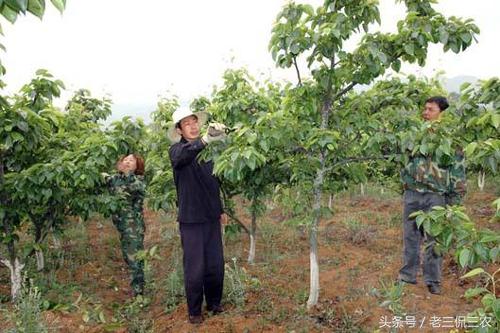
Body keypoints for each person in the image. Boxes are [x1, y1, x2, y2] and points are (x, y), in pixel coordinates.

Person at [398, 96, 467, 295]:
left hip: (436, 195)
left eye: (431, 109)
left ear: (442, 113)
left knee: (434, 239)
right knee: (410, 237)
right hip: (413, 193)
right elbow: (404, 159)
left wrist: (455, 201)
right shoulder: (415, 135)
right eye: (425, 109)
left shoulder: (451, 140)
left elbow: (458, 171)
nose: (425, 112)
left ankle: (433, 280)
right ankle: (407, 275)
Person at [167, 107, 228, 324]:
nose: (192, 126)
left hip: (210, 217)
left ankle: (214, 303)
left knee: (215, 264)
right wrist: (204, 140)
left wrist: (220, 210)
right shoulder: (177, 150)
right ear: (180, 130)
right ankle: (194, 311)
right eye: (187, 124)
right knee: (195, 267)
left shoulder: (208, 154)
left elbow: (213, 184)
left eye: (195, 122)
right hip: (191, 220)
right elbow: (183, 157)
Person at [105, 154, 146, 297]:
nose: (127, 162)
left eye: (131, 160)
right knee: (127, 256)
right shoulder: (115, 179)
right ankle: (136, 286)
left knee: (134, 258)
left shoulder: (138, 180)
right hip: (121, 225)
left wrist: (127, 173)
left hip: (133, 226)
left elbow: (136, 188)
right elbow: (103, 179)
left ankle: (138, 293)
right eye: (125, 160)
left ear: (137, 166)